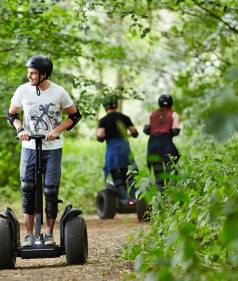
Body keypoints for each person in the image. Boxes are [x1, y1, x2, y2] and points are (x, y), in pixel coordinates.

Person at [7, 55, 81, 247]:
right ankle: (29, 235)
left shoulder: (59, 92)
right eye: (29, 72)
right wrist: (20, 129)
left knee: (50, 190)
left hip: (53, 148)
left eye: (33, 73)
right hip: (29, 147)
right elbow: (12, 114)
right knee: (28, 188)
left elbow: (75, 115)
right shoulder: (23, 90)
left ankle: (49, 234)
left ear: (44, 74)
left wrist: (57, 130)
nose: (29, 76)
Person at [97, 97, 139, 205]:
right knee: (131, 174)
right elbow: (134, 132)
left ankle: (124, 200)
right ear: (116, 105)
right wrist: (131, 134)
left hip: (112, 151)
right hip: (125, 149)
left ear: (105, 107)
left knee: (117, 177)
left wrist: (104, 136)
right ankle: (135, 199)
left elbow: (100, 135)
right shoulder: (125, 118)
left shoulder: (103, 120)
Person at [143, 94, 181, 190]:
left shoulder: (151, 114)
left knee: (158, 175)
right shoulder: (173, 114)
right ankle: (171, 195)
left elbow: (146, 130)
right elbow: (175, 131)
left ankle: (160, 196)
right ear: (171, 103)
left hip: (153, 145)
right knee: (171, 171)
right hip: (166, 143)